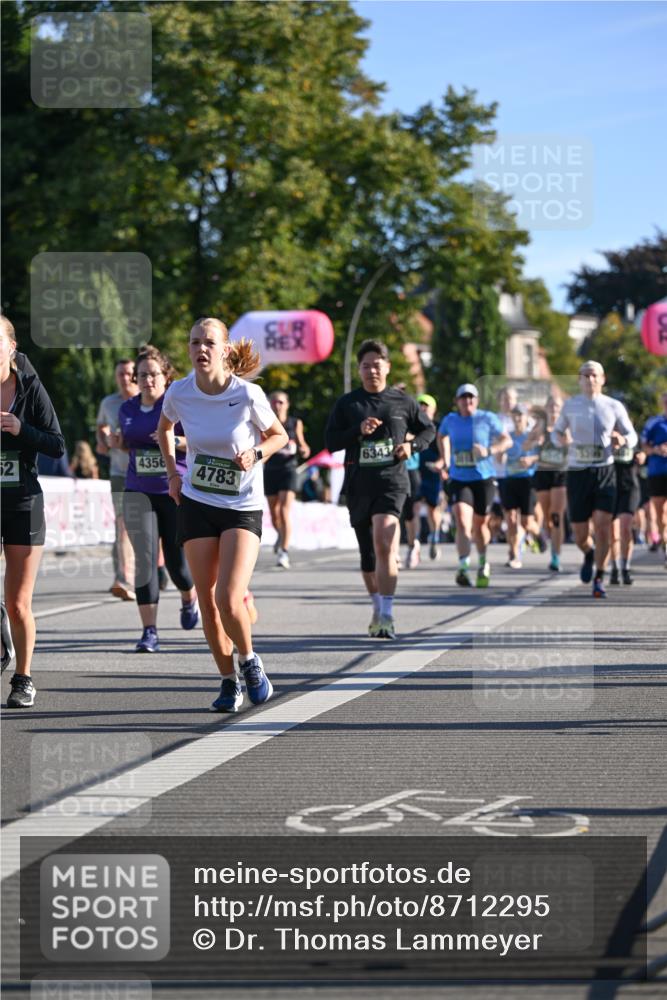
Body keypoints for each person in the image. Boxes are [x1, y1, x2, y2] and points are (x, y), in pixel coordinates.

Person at [158, 317, 288, 712]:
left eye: (209, 343)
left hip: (241, 506)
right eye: (194, 341)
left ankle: (249, 661)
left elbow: (278, 435)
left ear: (225, 350)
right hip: (198, 500)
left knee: (228, 597)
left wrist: (255, 453)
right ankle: (227, 682)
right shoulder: (179, 392)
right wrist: (172, 475)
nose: (201, 349)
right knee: (207, 601)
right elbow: (163, 428)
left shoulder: (247, 394)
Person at [325, 340, 434, 639]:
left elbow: (428, 430)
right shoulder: (348, 404)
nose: (371, 370)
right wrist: (357, 432)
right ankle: (376, 605)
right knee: (368, 557)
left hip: (393, 482)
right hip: (359, 485)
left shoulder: (403, 401)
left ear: (387, 367)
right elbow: (331, 441)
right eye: (365, 365)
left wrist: (412, 446)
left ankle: (387, 613)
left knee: (384, 539)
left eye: (376, 364)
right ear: (359, 370)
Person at [1, 315, 65, 707]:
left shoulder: (29, 385)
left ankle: (23, 678)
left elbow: (56, 444)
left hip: (23, 500)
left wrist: (19, 428)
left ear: (10, 347)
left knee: (18, 602)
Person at [119, 346, 199, 652]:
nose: (147, 379)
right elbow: (129, 444)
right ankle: (149, 631)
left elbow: (198, 442)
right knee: (146, 562)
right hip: (137, 490)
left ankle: (188, 596)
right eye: (141, 375)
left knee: (178, 566)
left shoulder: (177, 405)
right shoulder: (127, 408)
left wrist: (174, 440)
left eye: (153, 374)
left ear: (166, 377)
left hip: (173, 489)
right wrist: (116, 442)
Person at [551, 360, 637, 598]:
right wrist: (561, 440)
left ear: (603, 379)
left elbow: (632, 434)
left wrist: (623, 440)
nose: (590, 379)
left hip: (604, 471)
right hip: (578, 473)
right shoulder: (571, 406)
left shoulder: (613, 405)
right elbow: (556, 432)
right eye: (585, 375)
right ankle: (589, 553)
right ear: (579, 379)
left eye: (594, 375)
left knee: (603, 528)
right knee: (580, 534)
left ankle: (599, 577)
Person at [437, 383, 511, 588]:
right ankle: (462, 566)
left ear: (476, 401)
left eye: (471, 398)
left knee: (480, 525)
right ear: (457, 401)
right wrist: (445, 458)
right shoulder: (450, 420)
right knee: (461, 520)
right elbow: (441, 435)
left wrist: (489, 450)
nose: (467, 401)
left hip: (483, 478)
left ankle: (483, 561)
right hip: (459, 478)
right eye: (463, 398)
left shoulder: (487, 418)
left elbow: (507, 441)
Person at [97, 359, 138, 601]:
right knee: (122, 526)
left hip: (146, 474)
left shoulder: (145, 401)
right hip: (119, 473)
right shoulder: (109, 403)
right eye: (120, 373)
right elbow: (100, 425)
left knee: (146, 528)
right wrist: (102, 442)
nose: (124, 378)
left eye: (129, 373)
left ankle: (156, 569)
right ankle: (123, 579)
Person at [264, 391, 310, 568]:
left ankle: (284, 551)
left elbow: (302, 443)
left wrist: (304, 449)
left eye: (281, 402)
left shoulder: (294, 423)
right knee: (274, 515)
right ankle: (281, 535)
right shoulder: (265, 423)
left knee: (284, 511)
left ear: (287, 404)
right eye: (275, 402)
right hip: (270, 470)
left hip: (289, 470)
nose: (278, 405)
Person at [502, 404, 542, 569]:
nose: (518, 418)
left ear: (526, 418)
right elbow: (499, 451)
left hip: (527, 481)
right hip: (509, 479)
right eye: (515, 415)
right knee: (511, 519)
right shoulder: (507, 437)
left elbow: (543, 455)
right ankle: (514, 553)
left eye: (521, 415)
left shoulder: (532, 436)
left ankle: (538, 535)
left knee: (526, 522)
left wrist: (531, 459)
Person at [533, 396, 568, 573]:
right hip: (542, 473)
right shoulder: (539, 426)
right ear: (546, 408)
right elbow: (528, 444)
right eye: (551, 405)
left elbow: (573, 447)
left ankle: (556, 556)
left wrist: (566, 439)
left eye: (557, 405)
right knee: (547, 518)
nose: (554, 408)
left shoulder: (566, 427)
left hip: (560, 473)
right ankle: (545, 535)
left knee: (556, 515)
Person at [415, 394, 444, 561]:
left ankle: (435, 536)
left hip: (432, 472)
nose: (423, 408)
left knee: (433, 510)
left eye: (426, 405)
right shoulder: (412, 426)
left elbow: (445, 449)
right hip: (415, 472)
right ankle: (416, 541)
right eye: (420, 405)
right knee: (415, 507)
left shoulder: (439, 427)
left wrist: (442, 464)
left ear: (434, 409)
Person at [609, 441, 642, 585]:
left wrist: (641, 456)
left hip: (629, 487)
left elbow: (641, 453)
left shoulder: (631, 436)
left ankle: (625, 567)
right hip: (609, 487)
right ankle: (614, 567)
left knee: (625, 528)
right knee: (612, 533)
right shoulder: (603, 434)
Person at [641, 390, 667, 568]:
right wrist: (657, 450)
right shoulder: (654, 422)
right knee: (661, 515)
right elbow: (643, 446)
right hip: (657, 472)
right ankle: (664, 545)